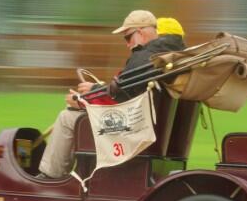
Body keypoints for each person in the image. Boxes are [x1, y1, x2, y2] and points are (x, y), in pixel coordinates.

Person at [37, 10, 186, 179]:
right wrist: (95, 92)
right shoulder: (170, 57)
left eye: (127, 37)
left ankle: (50, 175)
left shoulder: (143, 57)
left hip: (133, 129)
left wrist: (83, 101)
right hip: (150, 127)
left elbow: (122, 100)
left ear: (141, 33)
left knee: (67, 118)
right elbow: (127, 93)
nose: (127, 44)